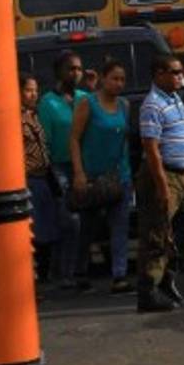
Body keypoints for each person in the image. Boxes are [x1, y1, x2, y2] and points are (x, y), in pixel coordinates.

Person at [137, 53, 184, 312]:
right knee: (157, 233)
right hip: (163, 174)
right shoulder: (153, 105)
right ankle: (148, 291)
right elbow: (151, 148)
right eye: (175, 72)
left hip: (183, 174)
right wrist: (162, 186)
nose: (181, 77)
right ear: (159, 74)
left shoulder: (175, 99)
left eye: (181, 72)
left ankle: (168, 275)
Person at [70, 60, 134, 294]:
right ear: (103, 79)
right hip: (93, 177)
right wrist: (79, 173)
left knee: (120, 226)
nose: (118, 84)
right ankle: (80, 272)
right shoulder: (88, 104)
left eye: (122, 80)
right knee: (88, 227)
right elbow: (74, 138)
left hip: (119, 176)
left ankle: (119, 275)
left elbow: (125, 139)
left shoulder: (124, 106)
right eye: (114, 78)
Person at [37, 51, 88, 291]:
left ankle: (76, 270)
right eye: (70, 69)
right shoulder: (48, 103)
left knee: (82, 222)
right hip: (59, 167)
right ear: (59, 72)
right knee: (69, 220)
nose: (75, 73)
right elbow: (45, 142)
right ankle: (64, 273)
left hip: (84, 166)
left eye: (78, 69)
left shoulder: (85, 98)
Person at [20, 73, 57, 285]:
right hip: (28, 179)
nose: (33, 94)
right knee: (33, 232)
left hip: (43, 178)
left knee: (47, 230)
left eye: (35, 90)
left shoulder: (33, 115)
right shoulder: (15, 119)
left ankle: (44, 275)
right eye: (28, 90)